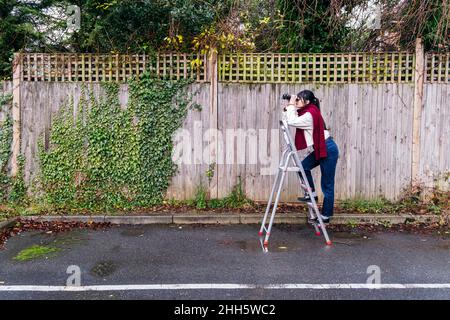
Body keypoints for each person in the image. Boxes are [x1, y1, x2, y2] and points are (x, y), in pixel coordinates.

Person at [282, 90, 339, 224]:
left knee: (327, 184)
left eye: (299, 99)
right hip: (321, 147)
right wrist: (289, 107)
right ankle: (311, 193)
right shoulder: (307, 112)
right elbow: (290, 118)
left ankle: (325, 216)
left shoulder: (309, 115)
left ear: (307, 102)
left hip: (328, 148)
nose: (296, 101)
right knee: (303, 167)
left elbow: (291, 121)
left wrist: (290, 105)